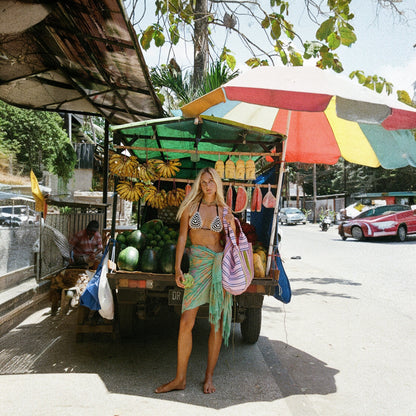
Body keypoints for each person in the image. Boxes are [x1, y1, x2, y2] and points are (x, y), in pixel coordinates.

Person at [155, 167, 237, 395]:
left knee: (216, 324)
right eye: (203, 182)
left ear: (217, 184)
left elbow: (233, 241)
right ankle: (180, 378)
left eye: (211, 181)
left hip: (218, 268)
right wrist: (177, 268)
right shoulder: (191, 208)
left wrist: (231, 224)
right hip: (197, 266)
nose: (207, 185)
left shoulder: (224, 210)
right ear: (199, 185)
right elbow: (182, 237)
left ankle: (209, 377)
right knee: (185, 322)